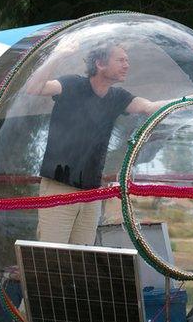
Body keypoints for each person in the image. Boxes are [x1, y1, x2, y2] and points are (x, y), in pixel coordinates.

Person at [25, 42, 176, 245]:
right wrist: (57, 56)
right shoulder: (72, 85)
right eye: (121, 60)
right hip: (58, 187)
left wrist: (186, 100)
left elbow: (149, 107)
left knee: (83, 258)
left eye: (127, 60)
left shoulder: (117, 97)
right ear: (100, 63)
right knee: (52, 255)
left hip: (92, 193)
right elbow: (34, 88)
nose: (126, 65)